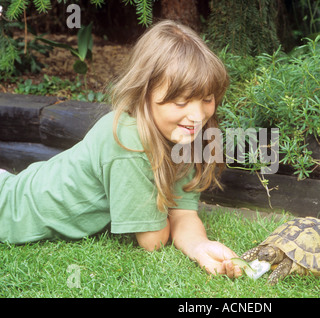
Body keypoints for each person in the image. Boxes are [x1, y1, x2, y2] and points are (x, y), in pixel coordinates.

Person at [0, 20, 242, 278]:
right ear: (144, 93)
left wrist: (200, 246)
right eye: (181, 101)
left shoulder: (181, 132)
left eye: (207, 99)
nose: (197, 115)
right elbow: (153, 241)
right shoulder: (127, 140)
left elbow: (182, 211)